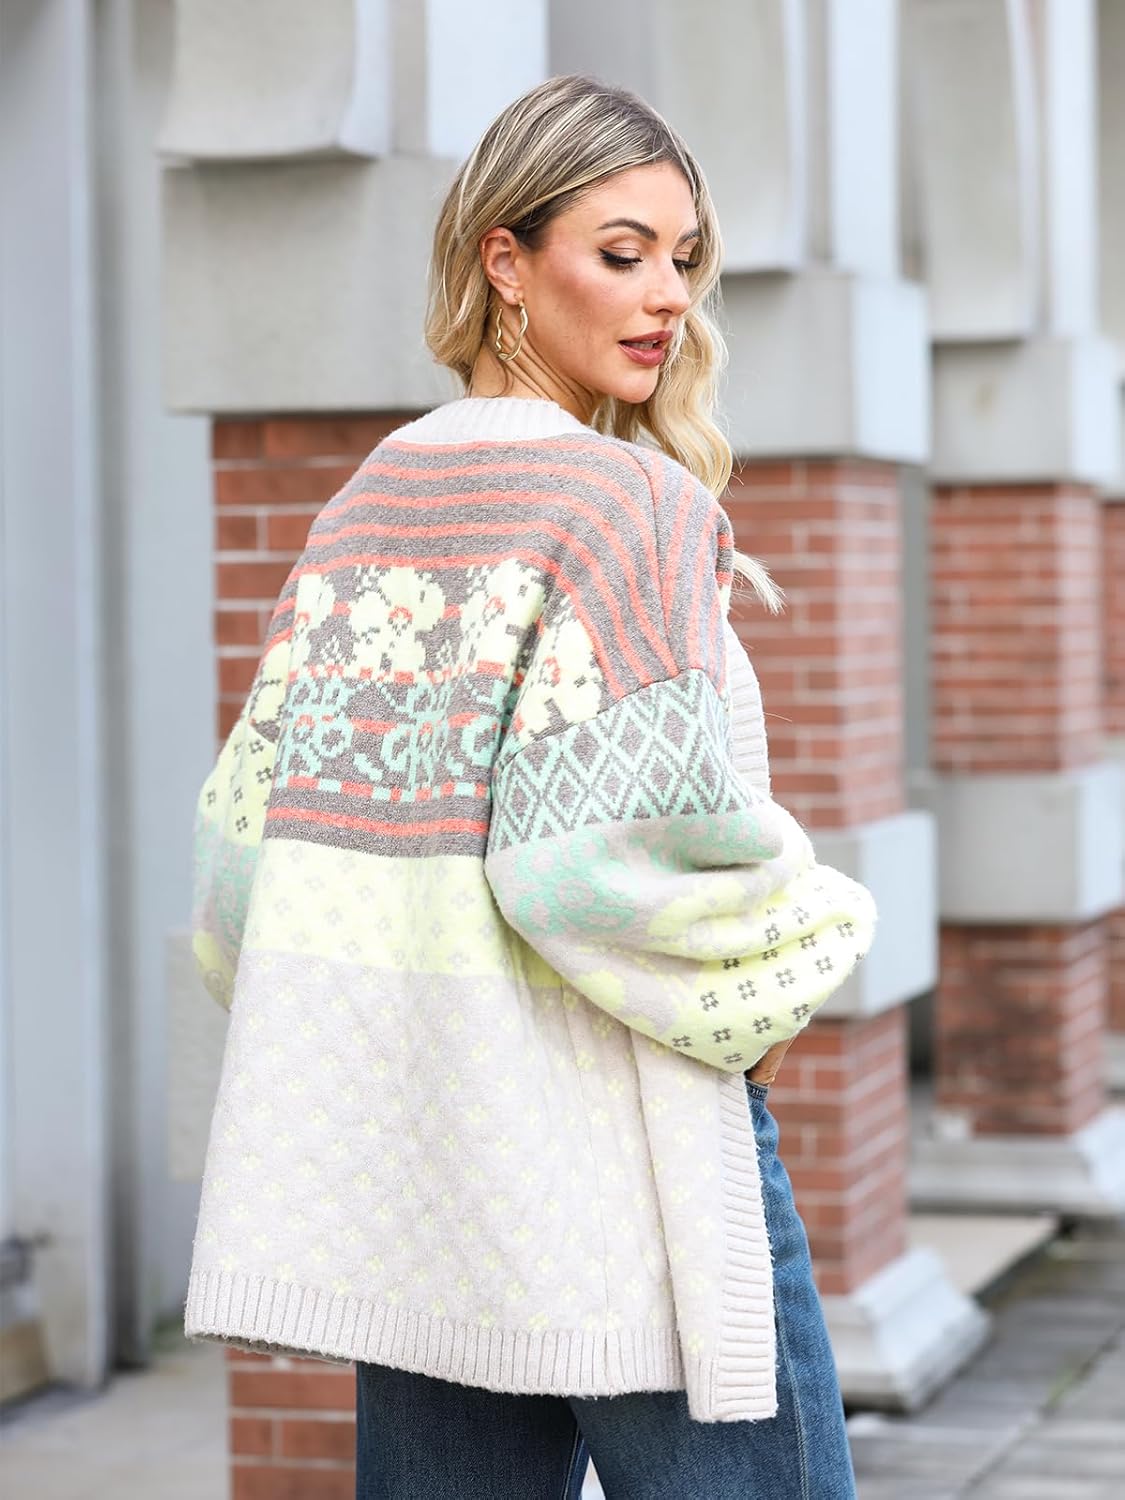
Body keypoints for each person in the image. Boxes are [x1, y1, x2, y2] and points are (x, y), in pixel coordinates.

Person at [186, 74, 877, 1499]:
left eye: (682, 258)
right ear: (505, 259)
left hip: (428, 1161)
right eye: (621, 253)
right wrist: (787, 968)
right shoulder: (627, 508)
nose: (666, 295)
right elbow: (603, 865)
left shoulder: (357, 514)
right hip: (631, 1141)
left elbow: (241, 868)